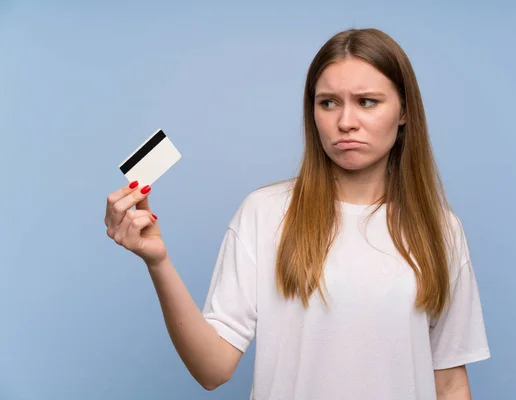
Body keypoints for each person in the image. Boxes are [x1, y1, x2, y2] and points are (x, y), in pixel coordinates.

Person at [104, 28, 490, 400]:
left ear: (404, 111)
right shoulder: (265, 214)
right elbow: (212, 369)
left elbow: (450, 385)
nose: (345, 121)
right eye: (328, 103)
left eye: (367, 101)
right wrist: (159, 262)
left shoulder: (439, 228)